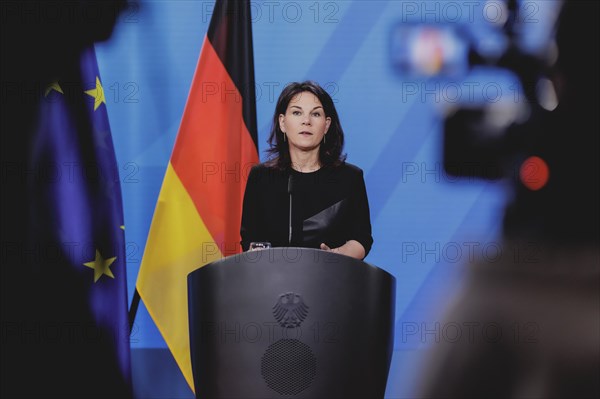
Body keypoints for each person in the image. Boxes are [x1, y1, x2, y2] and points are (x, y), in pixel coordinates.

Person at [240, 81, 373, 260]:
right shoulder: (261, 177)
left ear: (326, 125)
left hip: (331, 280)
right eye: (297, 112)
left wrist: (337, 256)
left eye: (315, 114)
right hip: (272, 282)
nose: (306, 121)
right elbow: (250, 240)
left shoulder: (350, 178)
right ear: (282, 123)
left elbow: (361, 238)